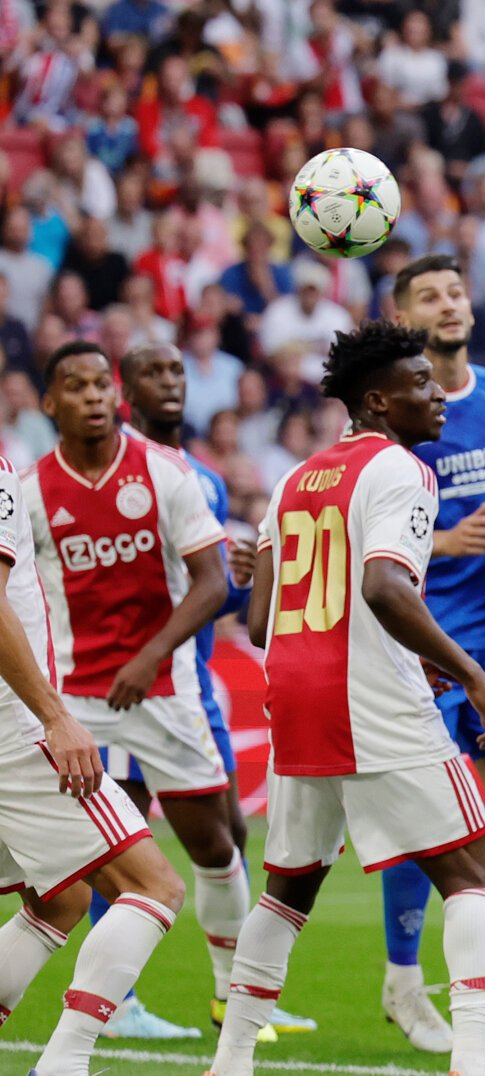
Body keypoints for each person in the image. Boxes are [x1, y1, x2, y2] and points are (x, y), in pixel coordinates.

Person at [205, 322, 485, 1076]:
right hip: (370, 698)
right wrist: (472, 671)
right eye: (419, 383)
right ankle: (471, 1061)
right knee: (474, 875)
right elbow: (383, 588)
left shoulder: (291, 480)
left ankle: (232, 1058)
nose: (437, 393)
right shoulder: (402, 471)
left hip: (296, 696)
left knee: (288, 889)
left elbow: (257, 619)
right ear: (376, 401)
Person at [87, 344, 318, 1041]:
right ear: (126, 391)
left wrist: (241, 578)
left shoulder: (207, 481)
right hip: (127, 685)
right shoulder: (115, 471)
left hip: (195, 682)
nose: (169, 383)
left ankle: (237, 994)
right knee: (124, 834)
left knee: (228, 835)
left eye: (178, 372)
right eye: (153, 373)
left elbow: (201, 593)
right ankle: (119, 1000)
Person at [22, 342, 248, 1035]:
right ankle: (112, 1007)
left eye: (100, 385)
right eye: (74, 386)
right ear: (48, 403)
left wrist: (151, 656)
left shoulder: (165, 473)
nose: (92, 396)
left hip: (165, 694)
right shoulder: (29, 492)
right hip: (74, 705)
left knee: (216, 844)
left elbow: (215, 582)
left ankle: (228, 993)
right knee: (81, 867)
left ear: (115, 397)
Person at [376, 255, 485, 1054]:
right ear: (403, 314)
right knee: (439, 819)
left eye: (455, 292)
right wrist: (441, 541)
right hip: (422, 640)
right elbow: (366, 524)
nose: (448, 305)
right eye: (428, 297)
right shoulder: (392, 416)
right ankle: (405, 979)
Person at [0, 446, 190, 1076]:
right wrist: (54, 717)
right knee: (152, 885)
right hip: (12, 726)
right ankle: (64, 1065)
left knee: (61, 900)